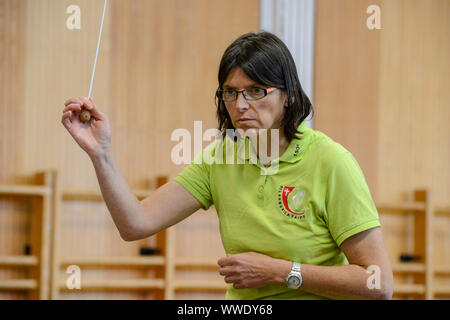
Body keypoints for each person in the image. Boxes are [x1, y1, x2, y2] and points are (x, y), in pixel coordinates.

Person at [61, 32, 393, 300]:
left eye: (256, 91)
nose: (241, 105)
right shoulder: (219, 160)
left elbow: (378, 283)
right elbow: (135, 224)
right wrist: (100, 153)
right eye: (230, 93)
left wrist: (280, 272)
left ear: (289, 95)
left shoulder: (332, 163)